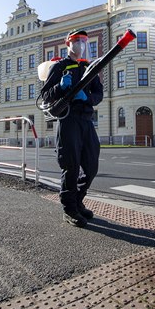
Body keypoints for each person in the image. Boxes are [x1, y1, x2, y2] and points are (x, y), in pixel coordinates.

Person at [40, 29, 103, 227]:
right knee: (71, 166)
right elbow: (46, 95)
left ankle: (78, 200)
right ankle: (70, 209)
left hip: (86, 121)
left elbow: (99, 94)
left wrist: (88, 98)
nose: (81, 45)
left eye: (84, 41)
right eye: (76, 41)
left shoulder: (88, 68)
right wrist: (60, 86)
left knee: (91, 166)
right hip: (68, 120)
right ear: (68, 43)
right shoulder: (60, 66)